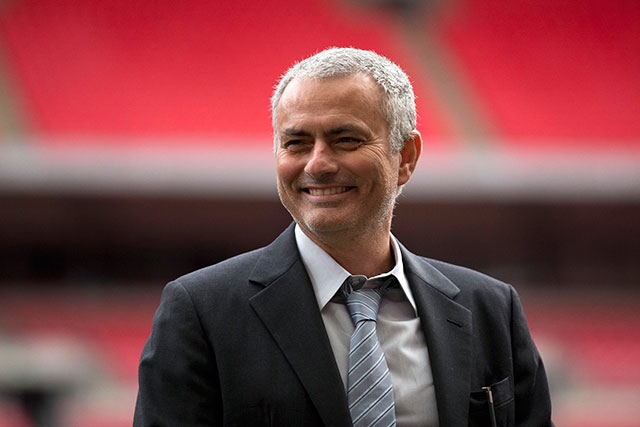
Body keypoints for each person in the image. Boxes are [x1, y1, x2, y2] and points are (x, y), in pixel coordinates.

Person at [134, 47, 553, 427]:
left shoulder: (491, 309)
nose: (317, 164)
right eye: (296, 142)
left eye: (346, 140)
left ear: (405, 157)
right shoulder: (201, 312)